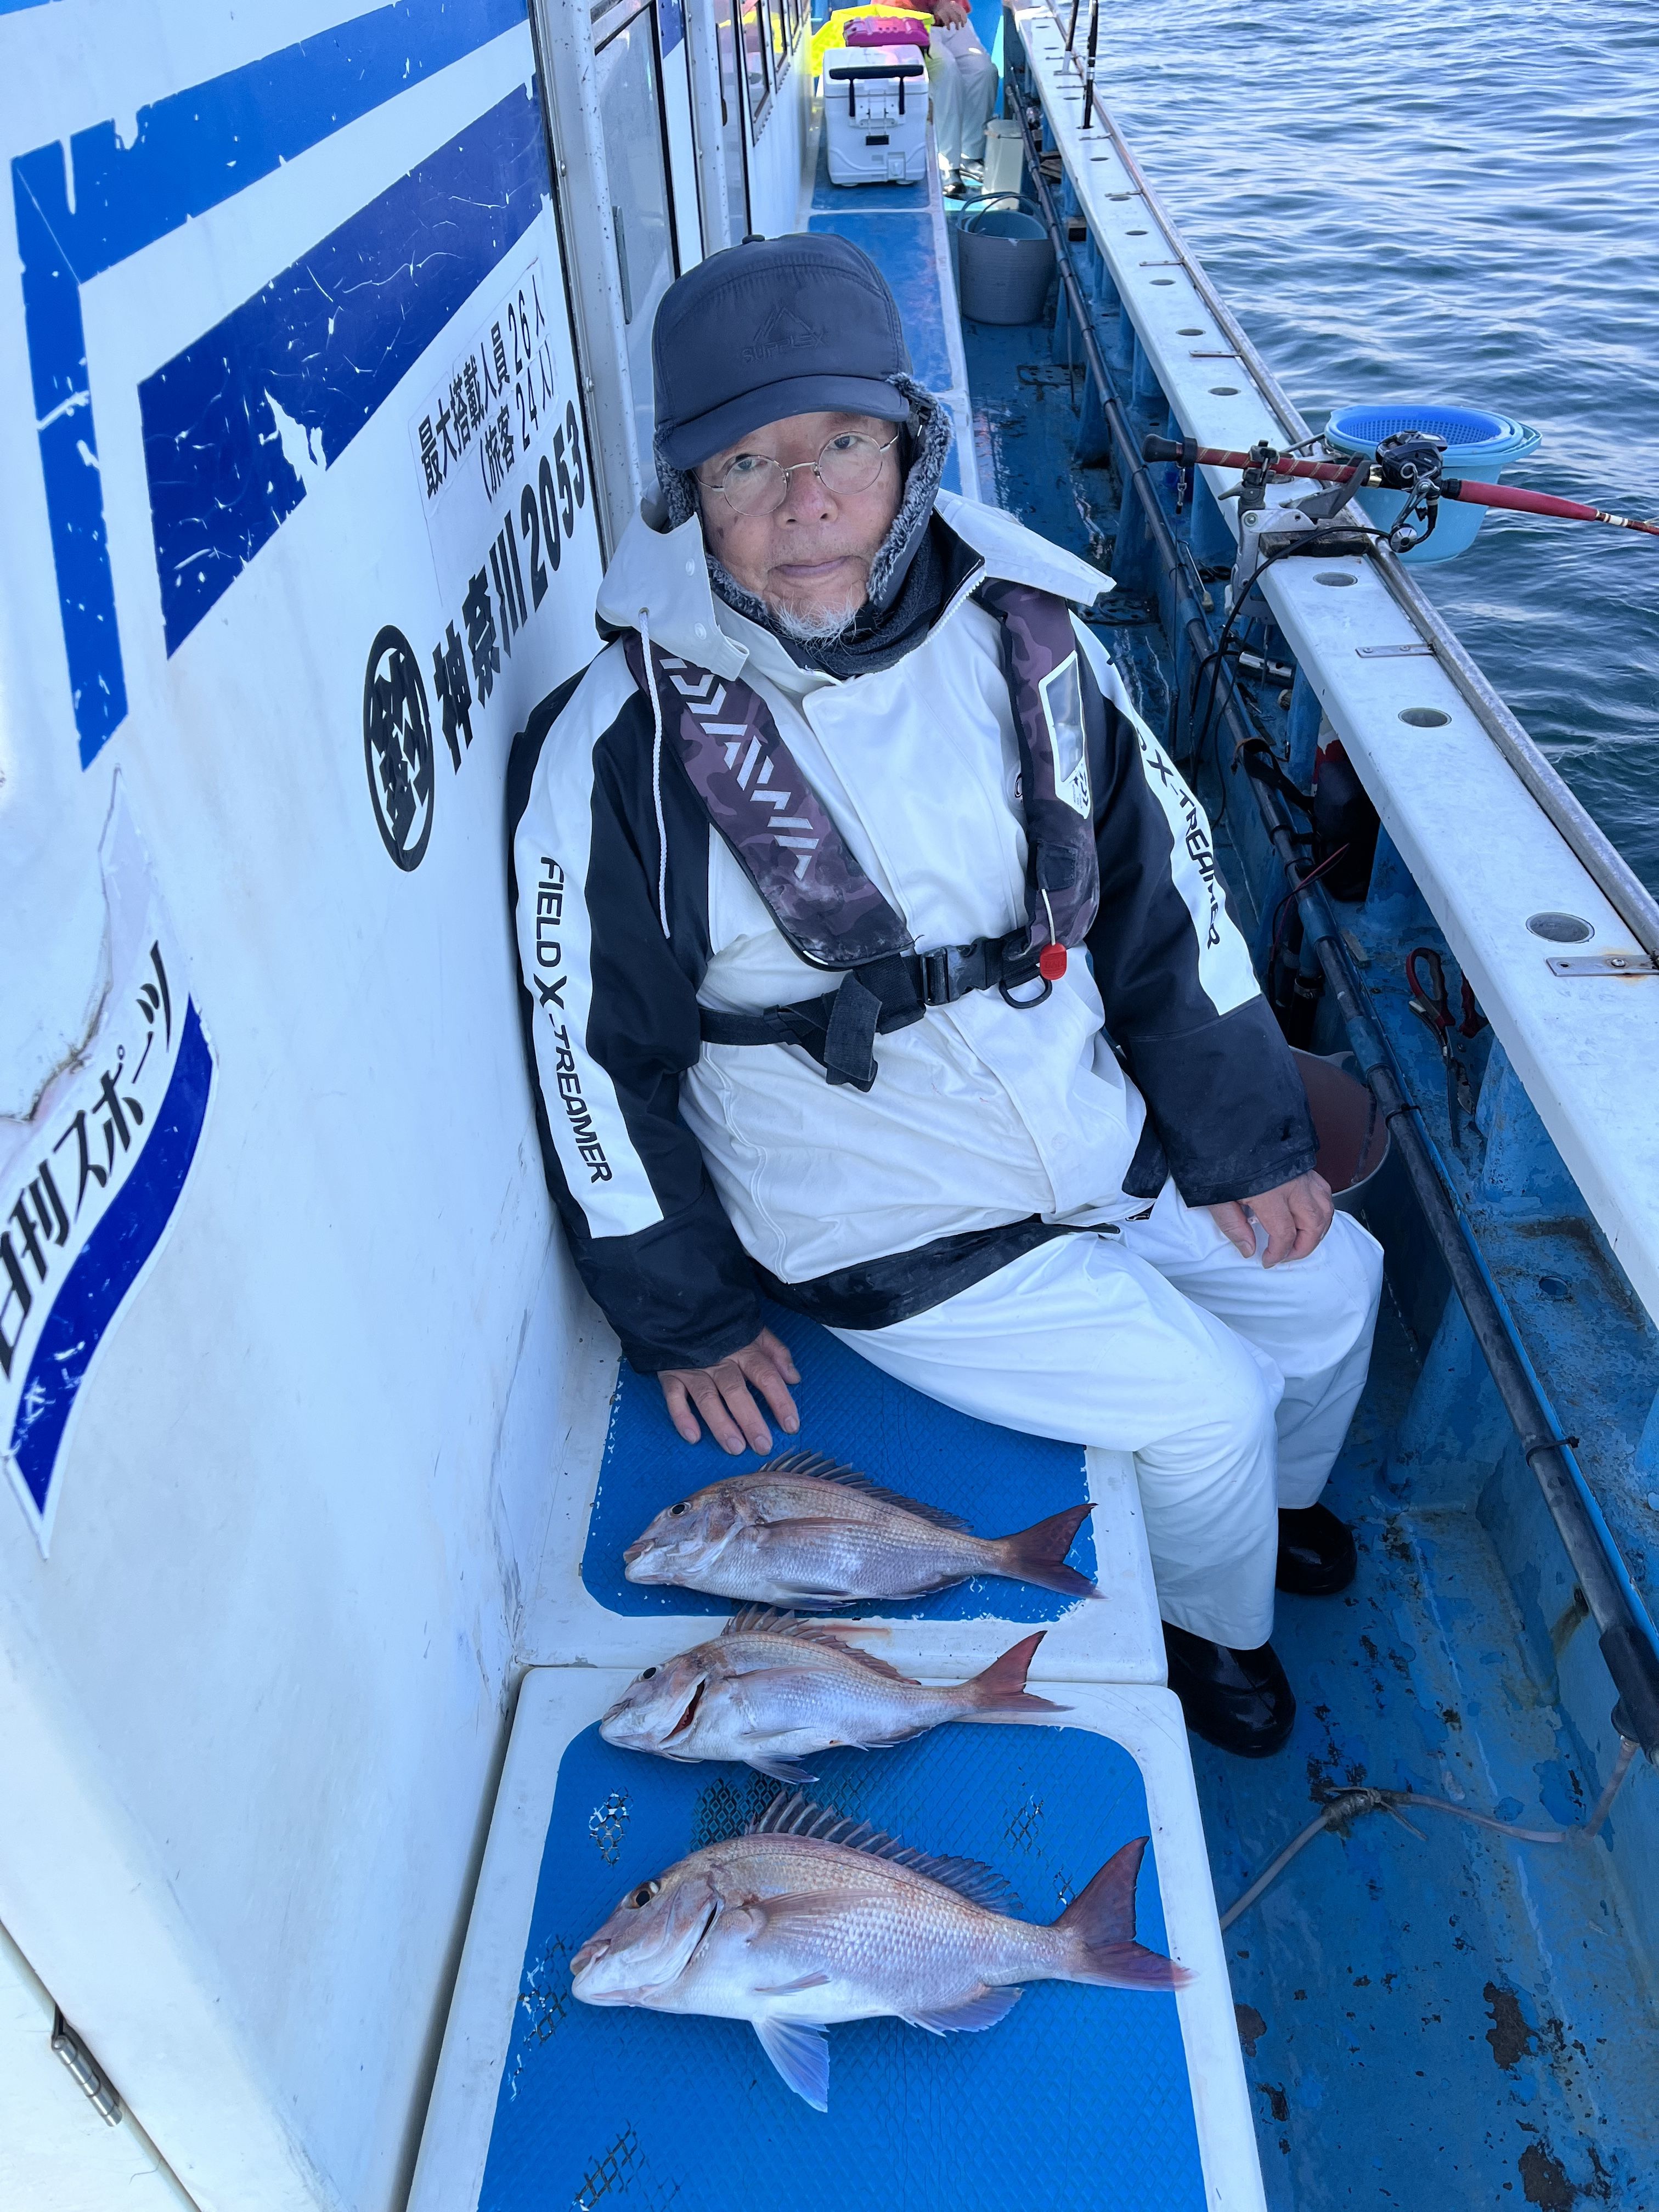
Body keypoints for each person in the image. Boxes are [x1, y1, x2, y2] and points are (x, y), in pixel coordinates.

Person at [507, 234, 1383, 1759]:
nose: (805, 503)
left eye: (844, 444)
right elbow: (591, 1057)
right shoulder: (617, 747)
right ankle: (1212, 1631)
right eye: (745, 465)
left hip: (1082, 1119)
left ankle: (1271, 1518)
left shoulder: (1028, 636)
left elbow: (1170, 901)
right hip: (882, 1216)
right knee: (1207, 1408)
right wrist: (686, 1318)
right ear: (685, 495)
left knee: (1337, 1285)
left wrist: (1245, 1141)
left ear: (911, 452)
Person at [923, 0, 999, 194]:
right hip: (908, 19)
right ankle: (945, 165)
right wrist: (938, 3)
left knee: (983, 71)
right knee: (946, 73)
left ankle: (970, 155)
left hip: (951, 17)